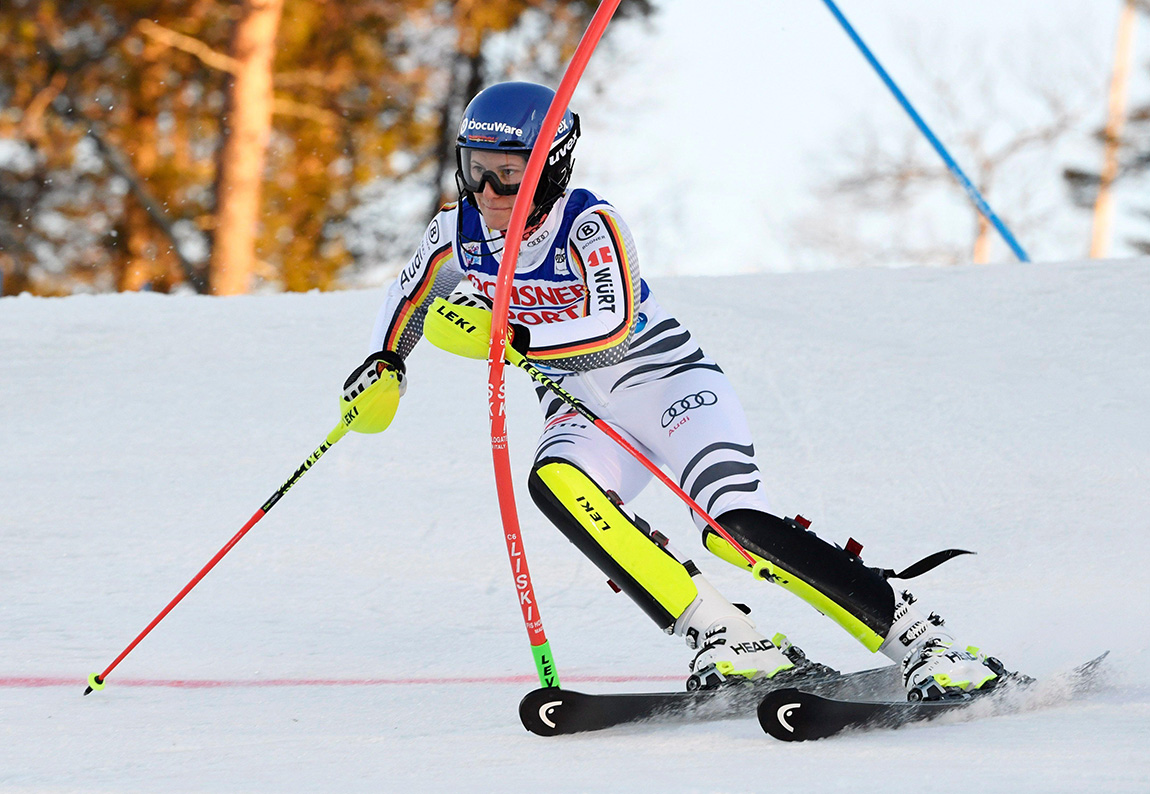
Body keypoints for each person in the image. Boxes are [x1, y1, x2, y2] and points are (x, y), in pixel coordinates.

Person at [343, 81, 1007, 699]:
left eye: (509, 171)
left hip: (671, 391)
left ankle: (923, 640)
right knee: (556, 486)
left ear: (549, 165)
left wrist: (512, 338)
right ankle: (725, 636)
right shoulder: (455, 231)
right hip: (585, 413)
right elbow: (412, 297)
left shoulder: (588, 225)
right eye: (477, 166)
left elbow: (614, 325)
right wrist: (385, 364)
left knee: (733, 528)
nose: (489, 187)